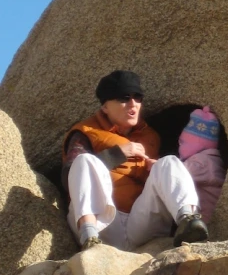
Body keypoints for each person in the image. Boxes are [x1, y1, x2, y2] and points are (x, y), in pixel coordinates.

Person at [62, 70, 208, 250]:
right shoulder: (85, 132)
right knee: (84, 161)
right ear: (105, 107)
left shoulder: (151, 136)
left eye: (137, 97)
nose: (133, 104)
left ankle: (187, 220)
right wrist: (118, 154)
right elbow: (69, 176)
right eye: (123, 98)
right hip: (103, 222)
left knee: (169, 161)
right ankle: (89, 237)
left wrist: (153, 170)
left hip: (139, 223)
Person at [178, 106, 226, 224]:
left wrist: (154, 166)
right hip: (212, 221)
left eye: (183, 142)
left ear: (196, 145)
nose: (180, 146)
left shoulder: (201, 162)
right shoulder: (213, 160)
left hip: (203, 222)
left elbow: (175, 174)